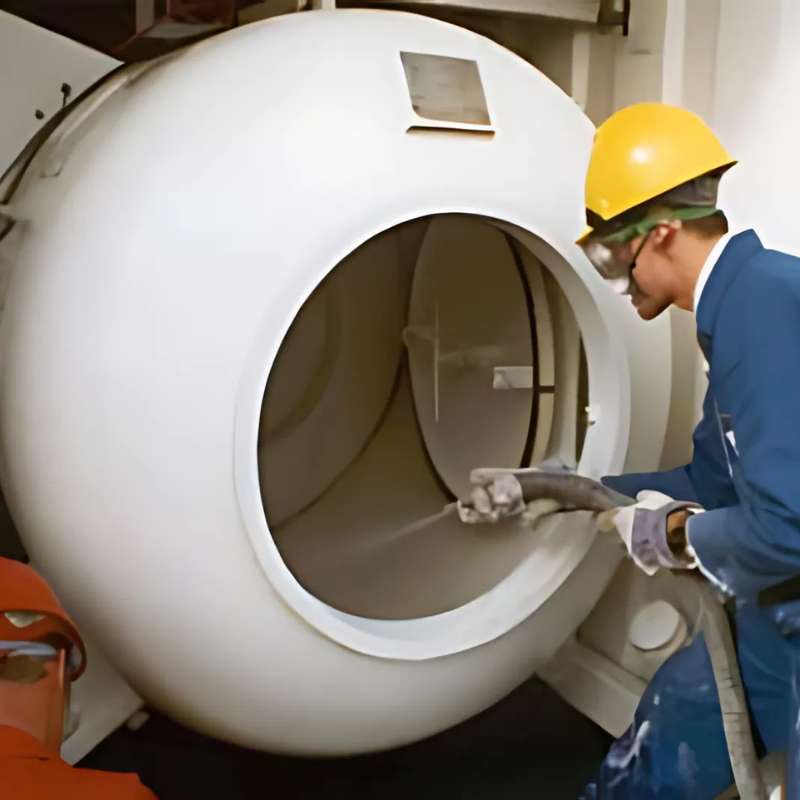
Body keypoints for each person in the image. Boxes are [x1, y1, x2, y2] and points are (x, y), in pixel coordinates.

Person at [572, 102, 800, 798]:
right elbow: (714, 479)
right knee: (673, 721)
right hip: (778, 616)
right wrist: (573, 491)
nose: (619, 280)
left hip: (791, 602)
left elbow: (789, 528)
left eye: (613, 256)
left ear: (662, 233)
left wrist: (673, 533)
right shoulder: (734, 313)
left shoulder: (765, 305)